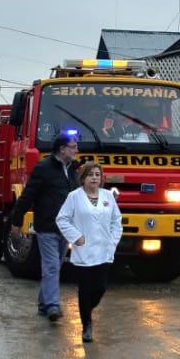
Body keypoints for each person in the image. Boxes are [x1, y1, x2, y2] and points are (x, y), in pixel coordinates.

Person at [10, 133, 81, 321]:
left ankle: (43, 303)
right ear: (62, 149)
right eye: (73, 146)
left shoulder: (73, 170)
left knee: (55, 266)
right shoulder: (43, 168)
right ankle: (52, 305)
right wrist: (17, 221)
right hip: (47, 226)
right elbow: (28, 196)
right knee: (51, 266)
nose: (76, 150)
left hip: (65, 228)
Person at [55, 162, 122, 343]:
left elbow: (117, 221)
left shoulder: (108, 196)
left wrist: (113, 241)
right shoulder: (74, 197)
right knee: (85, 289)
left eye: (97, 175)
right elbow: (62, 219)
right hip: (84, 251)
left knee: (100, 288)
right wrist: (75, 237)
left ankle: (87, 309)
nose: (94, 178)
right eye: (91, 175)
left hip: (104, 250)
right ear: (83, 178)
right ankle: (86, 325)